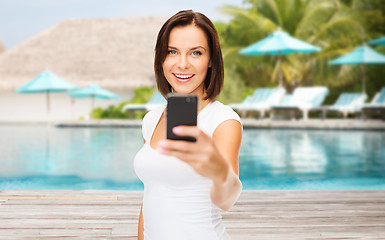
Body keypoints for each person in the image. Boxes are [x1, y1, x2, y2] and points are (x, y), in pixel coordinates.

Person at [134, 10, 242, 240]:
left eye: (196, 53)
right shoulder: (151, 120)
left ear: (211, 59)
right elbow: (150, 198)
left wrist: (219, 169)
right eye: (172, 51)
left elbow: (227, 200)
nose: (182, 64)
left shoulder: (223, 121)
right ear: (160, 57)